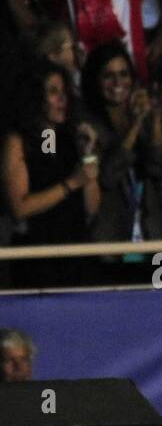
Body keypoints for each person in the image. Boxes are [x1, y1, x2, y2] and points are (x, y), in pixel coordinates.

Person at [2, 61, 99, 289]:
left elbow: (92, 208)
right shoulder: (17, 141)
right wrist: (71, 183)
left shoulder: (64, 138)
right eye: (53, 92)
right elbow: (20, 207)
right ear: (35, 96)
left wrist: (88, 155)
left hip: (76, 254)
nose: (62, 100)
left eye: (64, 91)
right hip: (38, 259)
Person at [79, 40, 162, 249]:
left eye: (124, 74)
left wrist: (154, 118)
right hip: (111, 241)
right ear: (95, 81)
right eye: (108, 76)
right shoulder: (87, 125)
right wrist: (136, 124)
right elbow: (108, 175)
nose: (118, 83)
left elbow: (159, 168)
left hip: (151, 237)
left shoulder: (144, 119)